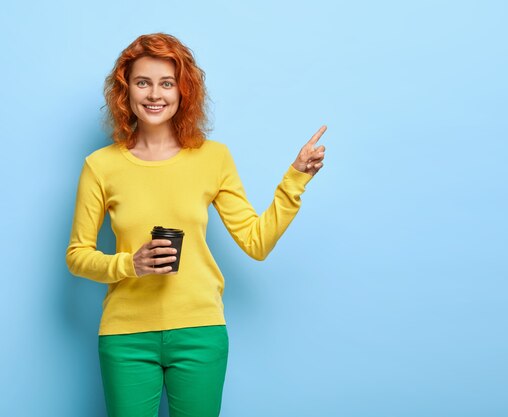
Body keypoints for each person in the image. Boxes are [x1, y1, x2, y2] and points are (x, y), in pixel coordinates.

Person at [65, 33, 326, 417]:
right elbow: (77, 255)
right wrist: (128, 264)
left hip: (200, 331)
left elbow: (256, 242)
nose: (155, 94)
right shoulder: (100, 166)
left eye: (166, 83)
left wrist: (295, 179)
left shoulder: (213, 158)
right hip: (125, 337)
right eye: (143, 82)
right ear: (126, 91)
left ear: (182, 90)